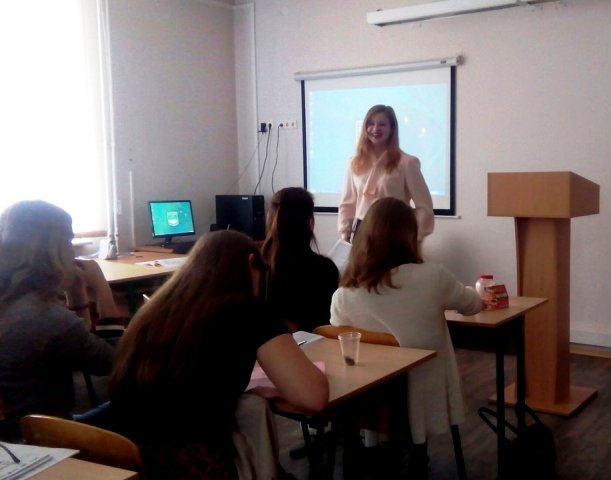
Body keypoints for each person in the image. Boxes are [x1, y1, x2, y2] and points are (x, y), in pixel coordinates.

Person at [109, 230, 328, 480]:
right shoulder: (248, 312)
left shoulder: (155, 310)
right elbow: (314, 398)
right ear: (250, 263)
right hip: (196, 463)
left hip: (125, 459)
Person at [330, 197, 481, 477]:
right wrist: (480, 291)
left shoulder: (343, 296)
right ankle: (416, 456)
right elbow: (472, 305)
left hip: (371, 401)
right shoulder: (432, 277)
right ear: (410, 236)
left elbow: (339, 345)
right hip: (425, 393)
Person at [0, 200, 117, 441]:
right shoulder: (48, 318)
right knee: (142, 400)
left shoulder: (16, 302)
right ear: (56, 251)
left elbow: (77, 344)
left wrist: (77, 294)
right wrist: (102, 288)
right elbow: (117, 364)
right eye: (69, 242)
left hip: (9, 435)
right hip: (41, 441)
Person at [338, 104, 434, 243]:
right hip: (361, 233)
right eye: (371, 124)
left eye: (382, 124)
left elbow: (424, 207)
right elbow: (347, 204)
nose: (375, 129)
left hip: (394, 232)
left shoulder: (407, 163)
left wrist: (414, 237)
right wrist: (345, 234)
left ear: (392, 128)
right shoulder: (354, 163)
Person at [261, 187, 339, 332]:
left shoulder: (257, 266)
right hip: (314, 345)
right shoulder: (325, 270)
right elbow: (328, 325)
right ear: (311, 222)